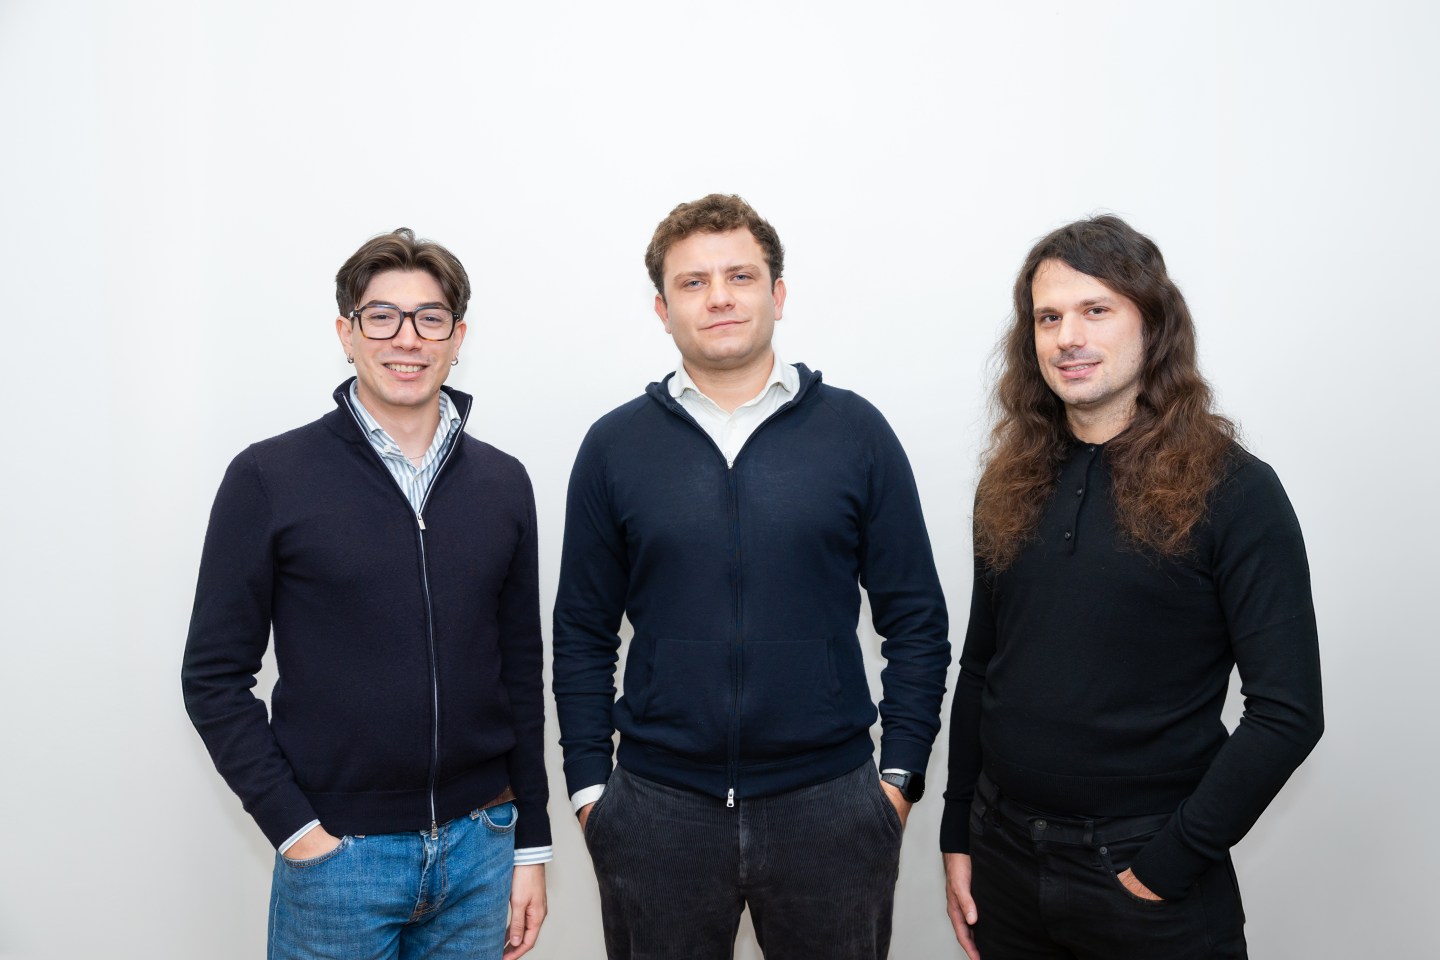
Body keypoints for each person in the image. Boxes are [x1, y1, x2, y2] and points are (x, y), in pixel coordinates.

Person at [552, 193, 950, 960]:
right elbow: (581, 630)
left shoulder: (855, 433)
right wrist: (589, 792)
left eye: (741, 275)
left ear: (779, 293)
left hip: (830, 805)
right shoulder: (614, 446)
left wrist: (896, 781)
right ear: (663, 308)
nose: (721, 296)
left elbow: (917, 619)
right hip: (657, 808)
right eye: (694, 282)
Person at [941, 215, 1324, 959]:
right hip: (1006, 862)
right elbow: (983, 668)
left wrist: (1167, 864)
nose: (1067, 338)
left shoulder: (1236, 490)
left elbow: (1288, 712)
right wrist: (959, 829)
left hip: (1144, 878)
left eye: (1096, 310)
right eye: (1048, 318)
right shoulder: (1010, 480)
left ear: (1152, 325)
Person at [182, 228, 549, 960]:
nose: (406, 338)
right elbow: (213, 677)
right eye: (382, 316)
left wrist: (531, 845)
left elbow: (520, 672)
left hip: (481, 851)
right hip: (340, 859)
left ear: (457, 336)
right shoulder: (269, 477)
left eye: (430, 318)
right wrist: (299, 832)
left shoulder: (504, 483)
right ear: (346, 333)